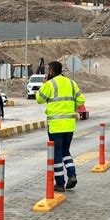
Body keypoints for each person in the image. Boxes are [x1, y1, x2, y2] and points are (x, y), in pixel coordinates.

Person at [36, 61, 85, 192]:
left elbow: (39, 99)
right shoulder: (71, 83)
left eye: (48, 71)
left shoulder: (50, 84)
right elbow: (81, 100)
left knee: (57, 154)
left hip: (55, 126)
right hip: (69, 125)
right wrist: (70, 107)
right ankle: (72, 174)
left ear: (51, 71)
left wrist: (44, 84)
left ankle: (59, 183)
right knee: (65, 151)